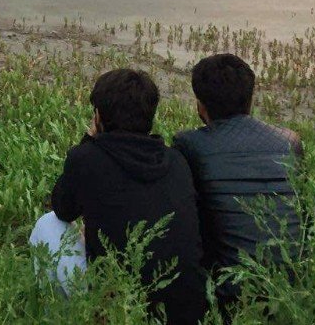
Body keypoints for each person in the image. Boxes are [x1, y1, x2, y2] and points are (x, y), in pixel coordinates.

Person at [32, 68, 207, 325]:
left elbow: (63, 209)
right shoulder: (177, 160)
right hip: (184, 311)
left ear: (98, 116)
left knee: (47, 224)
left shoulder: (87, 158)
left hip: (119, 307)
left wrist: (88, 140)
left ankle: (56, 317)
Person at [172, 54, 302, 305]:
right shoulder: (289, 141)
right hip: (292, 287)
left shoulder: (189, 144)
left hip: (226, 292)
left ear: (200, 106)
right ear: (251, 100)